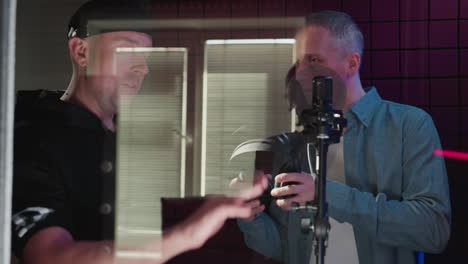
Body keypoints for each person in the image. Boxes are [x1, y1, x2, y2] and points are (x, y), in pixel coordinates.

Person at [11, 1, 268, 264]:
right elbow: (47, 257)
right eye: (127, 49)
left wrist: (223, 200)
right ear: (82, 51)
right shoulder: (33, 139)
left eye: (145, 54)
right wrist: (191, 233)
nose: (142, 67)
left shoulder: (132, 138)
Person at [236, 10, 451, 264]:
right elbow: (286, 247)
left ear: (351, 63)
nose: (301, 73)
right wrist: (250, 217)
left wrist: (324, 194)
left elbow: (433, 230)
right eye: (299, 63)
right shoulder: (301, 142)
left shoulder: (408, 126)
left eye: (314, 60)